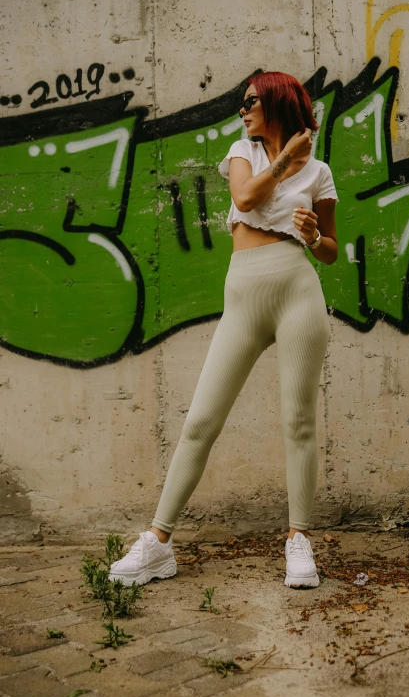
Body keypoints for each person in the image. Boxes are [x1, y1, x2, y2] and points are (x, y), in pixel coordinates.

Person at [109, 71, 338, 589]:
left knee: (299, 423)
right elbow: (249, 198)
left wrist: (314, 234)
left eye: (251, 101)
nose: (243, 109)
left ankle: (298, 540)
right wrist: (283, 160)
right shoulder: (245, 153)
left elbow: (330, 252)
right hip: (244, 298)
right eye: (242, 103)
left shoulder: (320, 172)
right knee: (201, 421)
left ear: (276, 102)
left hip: (298, 294)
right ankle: (158, 544)